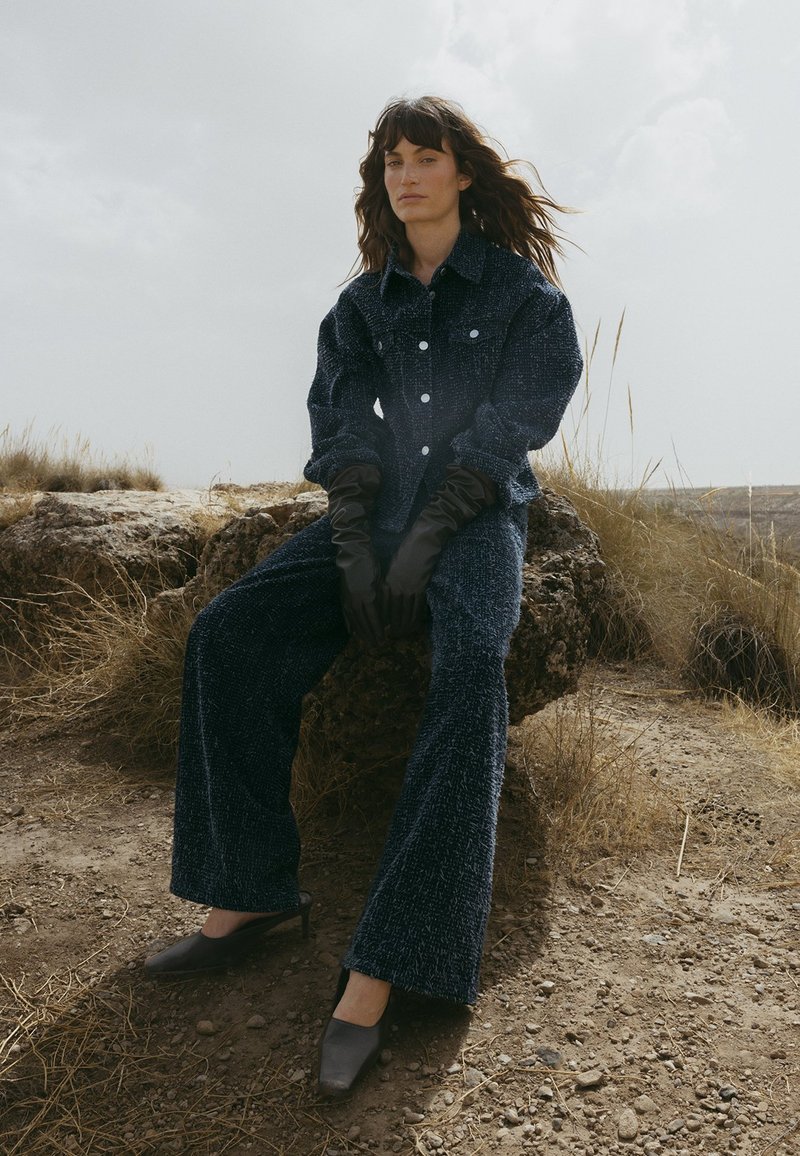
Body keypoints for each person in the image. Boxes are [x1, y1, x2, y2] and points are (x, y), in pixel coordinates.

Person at [143, 95, 584, 1100]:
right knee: (229, 632)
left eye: (424, 157)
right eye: (391, 160)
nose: (404, 175)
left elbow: (515, 423)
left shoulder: (528, 300)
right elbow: (341, 421)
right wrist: (354, 547)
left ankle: (388, 962)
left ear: (462, 173)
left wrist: (428, 539)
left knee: (470, 666)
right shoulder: (360, 304)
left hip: (474, 517)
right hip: (371, 514)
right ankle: (247, 899)